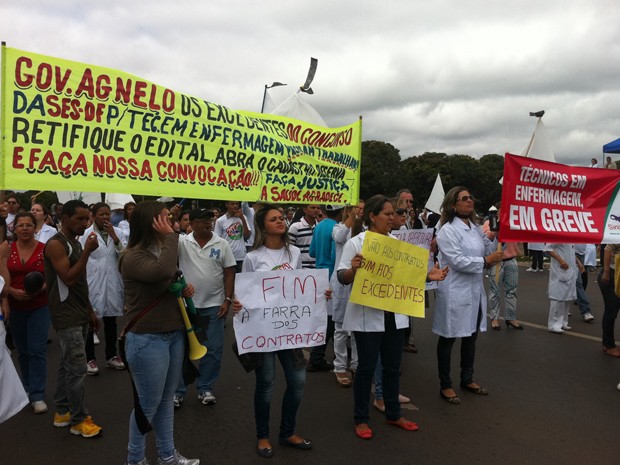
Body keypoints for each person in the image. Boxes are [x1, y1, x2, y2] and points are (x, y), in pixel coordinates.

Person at [338, 195, 448, 439]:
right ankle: (361, 419)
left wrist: (430, 276)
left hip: (393, 316)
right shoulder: (356, 243)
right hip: (367, 316)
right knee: (365, 369)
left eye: (393, 214)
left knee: (392, 367)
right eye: (387, 214)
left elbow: (406, 277)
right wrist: (353, 270)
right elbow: (341, 277)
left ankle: (393, 413)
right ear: (372, 217)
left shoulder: (398, 245)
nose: (392, 218)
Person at [120, 201, 199, 465]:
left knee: (166, 401)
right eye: (165, 218)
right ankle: (135, 459)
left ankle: (167, 456)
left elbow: (168, 278)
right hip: (146, 339)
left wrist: (183, 288)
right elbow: (162, 271)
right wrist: (171, 237)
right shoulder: (131, 256)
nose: (171, 222)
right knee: (147, 405)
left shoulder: (162, 249)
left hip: (173, 333)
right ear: (151, 222)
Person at [233, 205, 313, 458]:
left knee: (298, 382)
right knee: (266, 383)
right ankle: (263, 435)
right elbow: (245, 292)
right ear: (262, 225)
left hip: (289, 328)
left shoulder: (294, 253)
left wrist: (319, 294)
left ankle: (288, 432)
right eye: (274, 219)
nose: (281, 221)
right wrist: (237, 303)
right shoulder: (253, 257)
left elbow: (300, 286)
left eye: (282, 218)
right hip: (263, 330)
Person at [433, 187, 503, 405]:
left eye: (470, 197)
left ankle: (467, 378)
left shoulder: (474, 228)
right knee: (448, 336)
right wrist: (486, 261)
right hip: (454, 291)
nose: (469, 201)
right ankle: (445, 384)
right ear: (453, 205)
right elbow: (458, 261)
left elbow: (487, 248)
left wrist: (497, 233)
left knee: (470, 336)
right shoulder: (447, 231)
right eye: (464, 199)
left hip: (474, 291)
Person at [44, 200, 102, 437]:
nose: (85, 223)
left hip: (78, 311)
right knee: (78, 368)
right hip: (66, 314)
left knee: (66, 365)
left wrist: (89, 311)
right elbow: (68, 277)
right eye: (80, 219)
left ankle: (63, 412)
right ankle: (79, 420)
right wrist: (88, 251)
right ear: (64, 218)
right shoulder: (56, 244)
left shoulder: (74, 243)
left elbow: (79, 284)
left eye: (87, 219)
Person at [174, 208, 236, 408]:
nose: (207, 223)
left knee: (213, 349)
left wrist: (227, 299)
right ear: (191, 223)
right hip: (186, 307)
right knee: (181, 349)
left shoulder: (222, 243)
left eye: (209, 219)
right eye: (201, 220)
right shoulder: (182, 242)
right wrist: (171, 216)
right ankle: (178, 390)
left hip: (214, 305)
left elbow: (229, 272)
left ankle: (206, 387)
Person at [0, 212, 50, 414]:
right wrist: (11, 292)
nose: (25, 228)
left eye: (29, 225)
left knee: (37, 348)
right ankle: (27, 387)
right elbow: (1, 278)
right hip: (14, 306)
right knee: (22, 350)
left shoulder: (44, 250)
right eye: (20, 225)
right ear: (14, 228)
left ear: (35, 227)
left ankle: (37, 394)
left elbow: (52, 278)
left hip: (39, 305)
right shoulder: (6, 250)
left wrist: (38, 290)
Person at [79, 202, 125, 375]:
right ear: (94, 216)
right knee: (92, 321)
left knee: (111, 321)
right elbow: (82, 258)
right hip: (94, 282)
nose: (105, 217)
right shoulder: (85, 234)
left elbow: (124, 255)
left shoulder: (119, 233)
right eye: (101, 215)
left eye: (108, 214)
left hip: (113, 281)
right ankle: (89, 358)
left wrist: (114, 237)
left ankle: (112, 356)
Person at [307, 205, 343, 373]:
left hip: (318, 274)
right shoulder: (337, 228)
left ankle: (317, 356)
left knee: (324, 318)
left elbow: (312, 252)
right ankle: (317, 357)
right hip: (332, 276)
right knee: (331, 320)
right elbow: (338, 257)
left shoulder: (319, 225)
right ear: (342, 211)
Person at [483, 205, 522, 330]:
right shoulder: (489, 223)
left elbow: (519, 237)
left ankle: (511, 318)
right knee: (494, 291)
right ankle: (494, 318)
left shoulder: (513, 222)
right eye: (502, 209)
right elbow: (486, 239)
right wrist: (497, 227)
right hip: (496, 261)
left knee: (512, 290)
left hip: (511, 260)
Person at [546, 243, 582, 334]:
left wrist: (578, 262)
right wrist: (561, 260)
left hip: (570, 268)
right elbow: (548, 249)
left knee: (567, 297)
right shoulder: (557, 233)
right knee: (558, 297)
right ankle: (553, 325)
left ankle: (562, 322)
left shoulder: (569, 235)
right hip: (560, 268)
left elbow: (571, 252)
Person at [214, 201, 251, 272]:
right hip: (227, 257)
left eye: (237, 204)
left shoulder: (243, 218)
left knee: (241, 280)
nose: (235, 206)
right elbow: (217, 239)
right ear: (226, 205)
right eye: (232, 204)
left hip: (241, 256)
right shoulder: (220, 220)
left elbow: (247, 236)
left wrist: (242, 219)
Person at [598, 244, 620, 357]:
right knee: (611, 311)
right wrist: (606, 272)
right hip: (611, 275)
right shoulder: (616, 232)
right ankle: (608, 345)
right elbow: (607, 249)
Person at [288, 204, 321, 269]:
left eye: (318, 208)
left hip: (318, 268)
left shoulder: (320, 227)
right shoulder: (295, 227)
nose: (316, 210)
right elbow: (289, 249)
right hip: (301, 269)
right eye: (313, 207)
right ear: (305, 210)